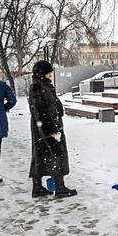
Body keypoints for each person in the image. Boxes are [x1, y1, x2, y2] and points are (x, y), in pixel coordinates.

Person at [28, 60, 77, 198]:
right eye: (49, 72)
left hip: (42, 127)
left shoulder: (43, 86)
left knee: (40, 156)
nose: (51, 74)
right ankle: (60, 187)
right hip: (47, 127)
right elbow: (41, 110)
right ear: (43, 73)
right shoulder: (39, 87)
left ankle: (37, 188)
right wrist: (52, 130)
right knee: (55, 156)